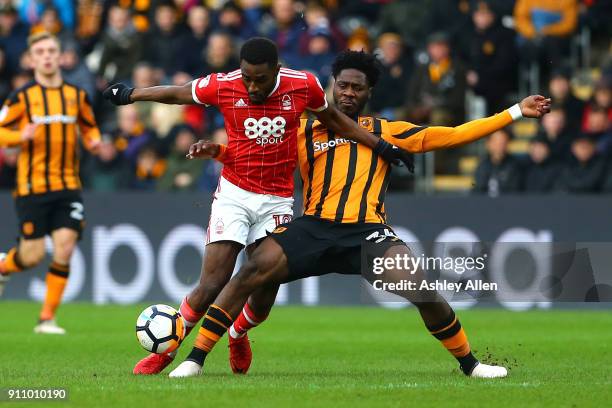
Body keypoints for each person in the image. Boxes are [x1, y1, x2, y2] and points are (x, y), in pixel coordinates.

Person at [170, 50, 551, 378]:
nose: (349, 93)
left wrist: (515, 111)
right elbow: (256, 156)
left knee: (421, 288)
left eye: (358, 88)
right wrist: (218, 152)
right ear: (332, 85)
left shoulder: (388, 131)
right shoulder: (303, 130)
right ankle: (197, 359)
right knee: (251, 271)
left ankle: (471, 365)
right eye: (343, 85)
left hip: (367, 234)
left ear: (370, 92)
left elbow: (454, 134)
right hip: (314, 227)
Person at [103, 37, 411, 375]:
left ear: (276, 70)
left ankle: (238, 332)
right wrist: (131, 94)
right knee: (212, 282)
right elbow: (179, 92)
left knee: (263, 292)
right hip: (235, 192)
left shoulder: (303, 85)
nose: (251, 86)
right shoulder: (224, 84)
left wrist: (380, 146)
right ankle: (168, 353)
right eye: (246, 77)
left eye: (260, 79)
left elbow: (336, 120)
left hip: (277, 199)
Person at [0, 32, 101, 334]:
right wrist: (20, 136)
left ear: (60, 56)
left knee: (65, 247)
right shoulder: (21, 97)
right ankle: (4, 266)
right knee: (30, 256)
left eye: (51, 50)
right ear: (31, 59)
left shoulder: (77, 96)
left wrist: (95, 142)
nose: (46, 56)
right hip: (32, 187)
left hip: (68, 184)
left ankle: (46, 318)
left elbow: (89, 127)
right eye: (40, 51)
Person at [473, 129, 523, 196]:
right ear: (488, 144)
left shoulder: (515, 166)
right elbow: (477, 191)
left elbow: (516, 192)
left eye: (502, 142)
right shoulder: (482, 166)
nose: (499, 146)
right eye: (496, 142)